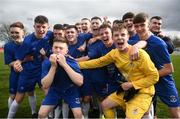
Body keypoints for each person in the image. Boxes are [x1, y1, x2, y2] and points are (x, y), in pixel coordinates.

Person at [78, 24, 159, 119]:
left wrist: (132, 84)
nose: (119, 38)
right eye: (116, 35)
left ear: (128, 37)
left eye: (123, 35)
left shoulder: (140, 54)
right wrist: (75, 65)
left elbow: (154, 77)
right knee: (105, 105)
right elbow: (98, 62)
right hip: (129, 90)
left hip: (143, 91)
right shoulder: (114, 53)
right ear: (113, 38)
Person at [133, 12, 180, 118]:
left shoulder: (159, 43)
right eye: (136, 26)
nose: (139, 29)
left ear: (148, 25)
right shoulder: (137, 40)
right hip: (148, 83)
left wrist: (150, 76)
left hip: (164, 81)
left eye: (142, 25)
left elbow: (169, 69)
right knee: (147, 111)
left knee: (175, 110)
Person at [8, 15, 53, 118]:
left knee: (49, 94)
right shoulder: (28, 41)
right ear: (34, 26)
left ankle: (49, 115)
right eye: (38, 27)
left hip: (43, 71)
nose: (41, 30)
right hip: (28, 72)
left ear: (48, 27)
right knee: (19, 97)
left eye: (43, 27)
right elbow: (19, 59)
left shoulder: (50, 35)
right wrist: (17, 64)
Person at [38, 38, 84, 119]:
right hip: (55, 90)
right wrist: (53, 66)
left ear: (66, 51)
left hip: (70, 90)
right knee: (41, 114)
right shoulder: (46, 62)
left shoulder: (72, 61)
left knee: (78, 114)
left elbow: (80, 82)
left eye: (61, 48)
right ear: (52, 49)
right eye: (55, 47)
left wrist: (64, 64)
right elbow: (45, 85)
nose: (58, 50)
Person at [4, 22, 37, 117]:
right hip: (15, 73)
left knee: (30, 92)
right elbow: (9, 62)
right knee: (13, 96)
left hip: (29, 73)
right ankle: (11, 115)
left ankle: (33, 112)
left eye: (16, 32)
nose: (14, 35)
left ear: (23, 32)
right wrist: (17, 63)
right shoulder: (8, 46)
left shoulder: (30, 43)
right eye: (12, 32)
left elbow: (34, 58)